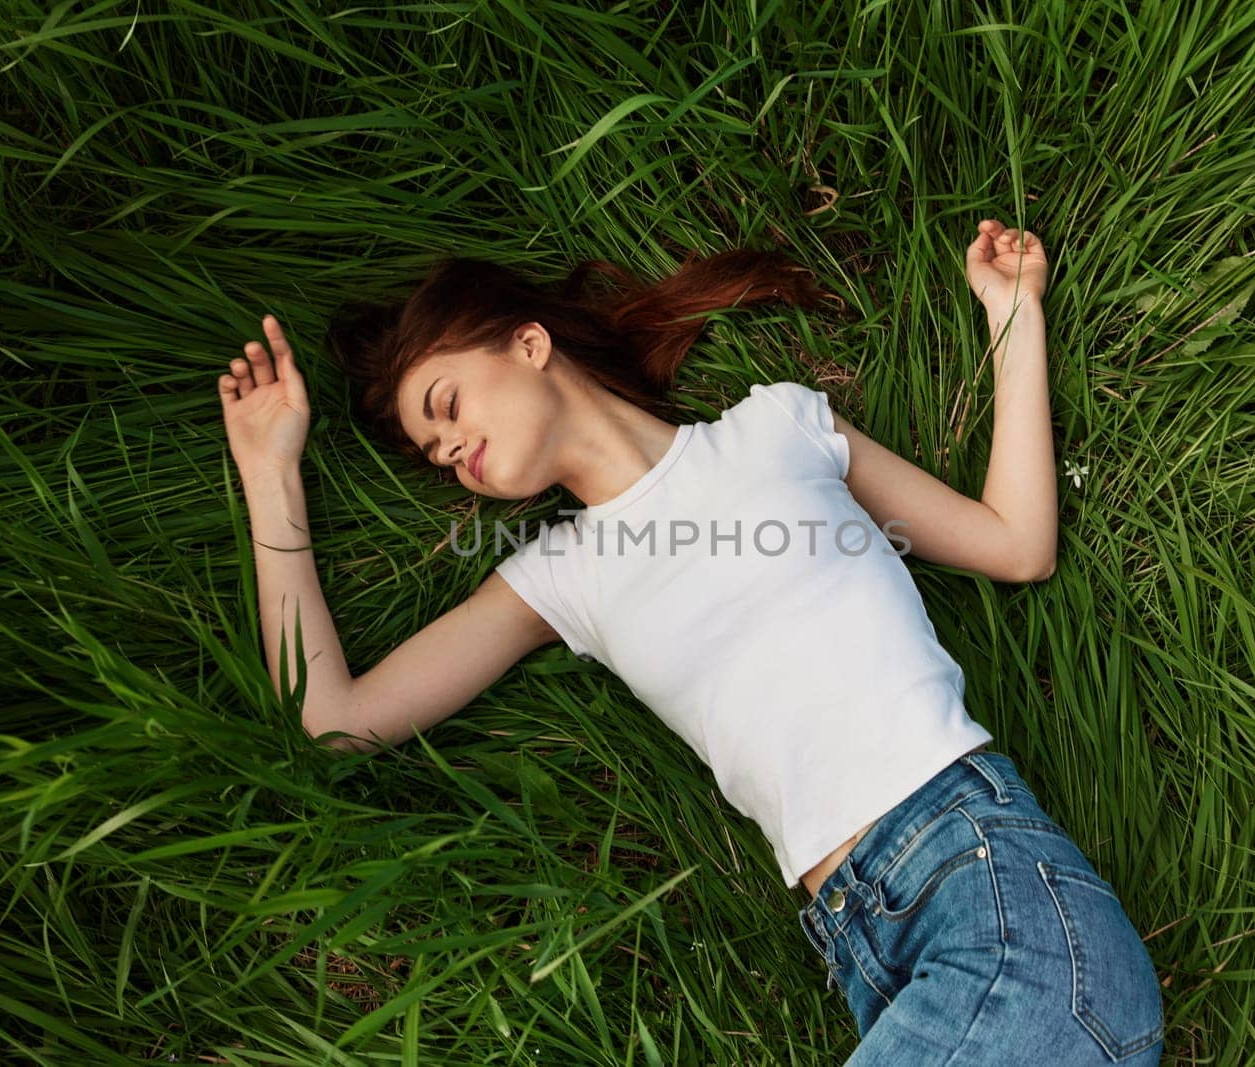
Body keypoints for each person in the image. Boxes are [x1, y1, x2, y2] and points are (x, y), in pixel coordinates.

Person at [215, 219, 1165, 1063]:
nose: (450, 452)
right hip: (866, 954)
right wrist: (270, 476)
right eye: (434, 454)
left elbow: (1015, 544)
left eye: (448, 406)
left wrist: (1012, 315)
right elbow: (337, 720)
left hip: (995, 898)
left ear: (530, 343)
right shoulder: (559, 576)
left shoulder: (778, 427)